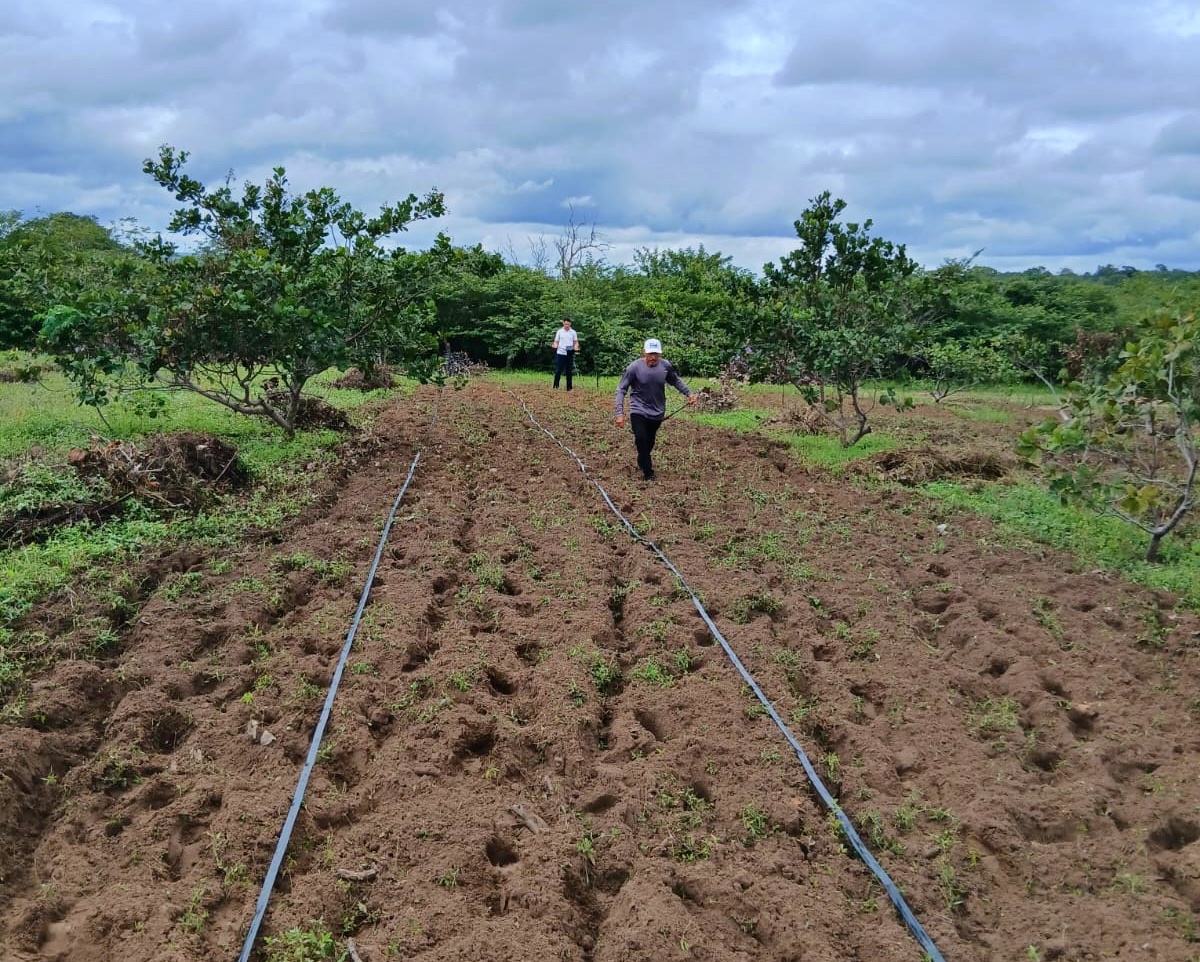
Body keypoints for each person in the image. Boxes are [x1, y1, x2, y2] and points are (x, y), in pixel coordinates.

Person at [614, 338, 697, 482]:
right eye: (650, 354)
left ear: (660, 354)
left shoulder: (665, 366)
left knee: (649, 441)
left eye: (656, 354)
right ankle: (648, 472)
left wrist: (689, 393)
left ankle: (642, 459)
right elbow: (621, 389)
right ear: (644, 352)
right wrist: (619, 413)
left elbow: (675, 381)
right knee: (641, 438)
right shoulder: (634, 368)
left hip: (657, 411)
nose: (653, 357)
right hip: (638, 409)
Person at [551, 317, 580, 390]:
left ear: (570, 324)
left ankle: (569, 388)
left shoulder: (573, 332)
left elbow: (576, 342)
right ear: (563, 323)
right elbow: (556, 341)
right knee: (558, 370)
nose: (567, 325)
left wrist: (576, 347)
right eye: (565, 324)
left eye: (568, 324)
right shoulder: (559, 331)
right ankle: (555, 386)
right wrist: (555, 345)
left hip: (569, 353)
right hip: (560, 353)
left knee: (569, 371)